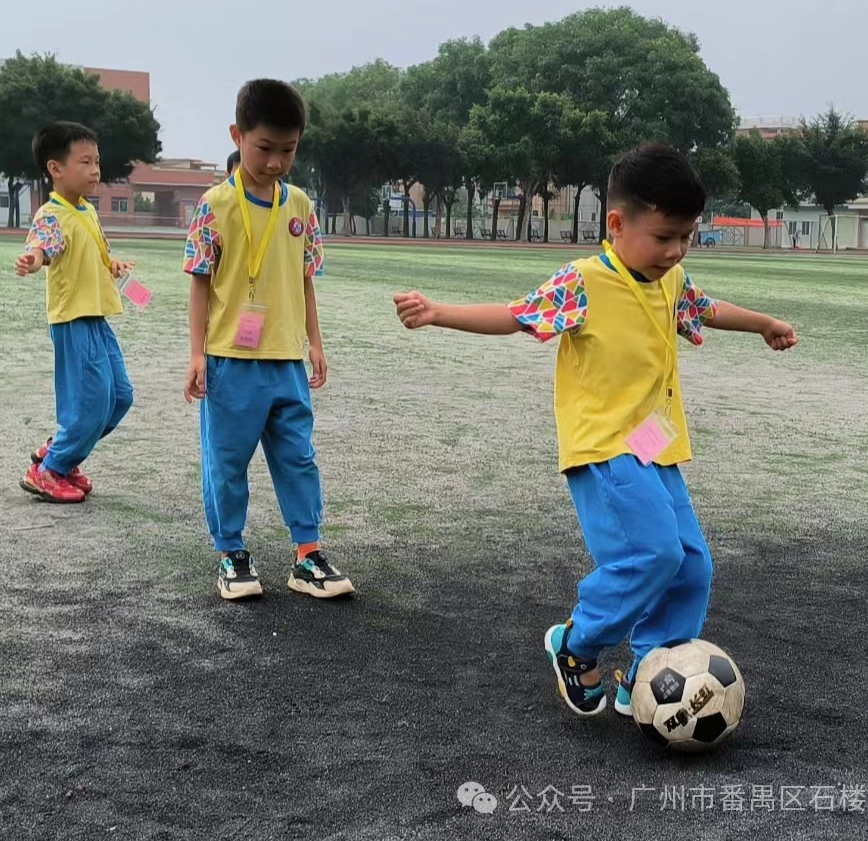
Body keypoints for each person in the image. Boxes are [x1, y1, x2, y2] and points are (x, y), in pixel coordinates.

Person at [394, 144, 797, 716]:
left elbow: (706, 308)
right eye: (664, 237)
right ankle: (576, 642)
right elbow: (515, 316)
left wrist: (764, 324)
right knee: (654, 553)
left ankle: (646, 673)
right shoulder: (583, 282)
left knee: (691, 565)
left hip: (653, 443)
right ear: (617, 224)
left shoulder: (671, 279)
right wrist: (438, 311)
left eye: (686, 237)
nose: (676, 250)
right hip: (605, 445)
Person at [183, 79, 353, 600]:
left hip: (286, 360)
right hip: (230, 360)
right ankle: (231, 550)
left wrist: (314, 342)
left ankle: (307, 553)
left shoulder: (300, 204)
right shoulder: (214, 204)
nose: (277, 162)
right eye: (264, 148)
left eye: (289, 150)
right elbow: (200, 281)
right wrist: (196, 353)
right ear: (237, 135)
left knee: (298, 458)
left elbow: (305, 278)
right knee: (227, 461)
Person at [14, 121, 135, 504]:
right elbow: (43, 247)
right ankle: (48, 471)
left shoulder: (86, 211)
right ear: (55, 168)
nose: (95, 170)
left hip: (97, 317)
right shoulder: (52, 214)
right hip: (73, 321)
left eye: (97, 161)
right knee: (90, 403)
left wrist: (111, 265)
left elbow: (93, 252)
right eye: (85, 161)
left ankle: (60, 453)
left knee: (120, 397)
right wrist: (32, 260)